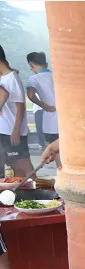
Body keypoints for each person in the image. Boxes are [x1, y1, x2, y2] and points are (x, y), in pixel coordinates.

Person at [0, 44, 31, 176]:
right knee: (12, 166)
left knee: (23, 168)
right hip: (4, 130)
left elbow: (21, 106)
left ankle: (36, 192)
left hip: (13, 131)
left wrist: (16, 130)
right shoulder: (4, 77)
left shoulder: (12, 78)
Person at [26, 52, 56, 152]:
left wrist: (44, 105)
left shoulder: (34, 78)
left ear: (31, 65)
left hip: (50, 123)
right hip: (65, 120)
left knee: (55, 152)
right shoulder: (57, 75)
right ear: (46, 64)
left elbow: (30, 95)